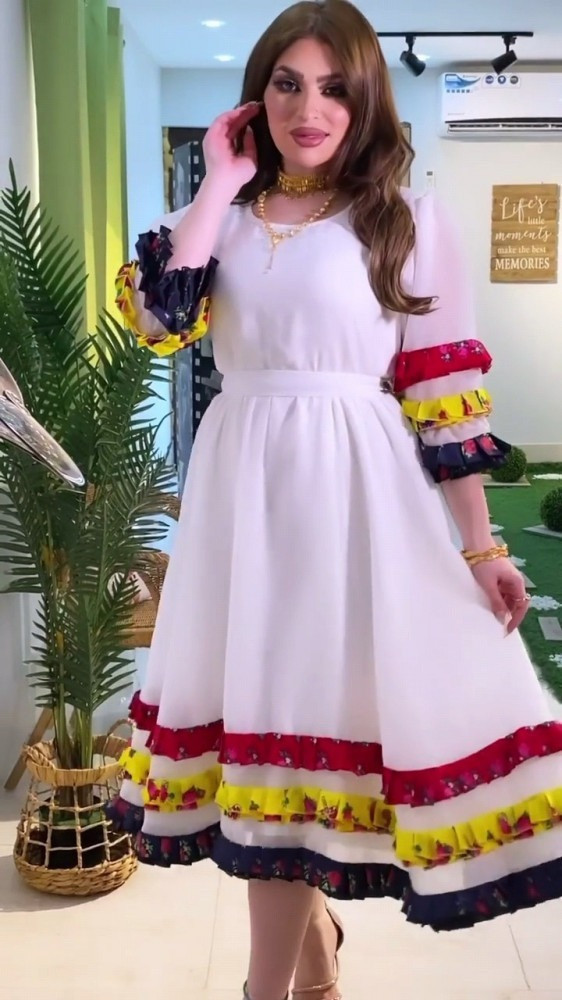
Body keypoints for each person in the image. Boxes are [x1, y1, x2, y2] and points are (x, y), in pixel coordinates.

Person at [107, 2, 562, 998]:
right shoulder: (220, 222)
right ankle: (309, 964)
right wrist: (217, 181)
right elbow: (160, 323)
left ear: (366, 103)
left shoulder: (405, 219)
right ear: (255, 98)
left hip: (355, 500)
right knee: (268, 738)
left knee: (313, 727)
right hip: (241, 500)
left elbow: (442, 394)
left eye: (334, 88)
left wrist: (482, 547)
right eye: (287, 84)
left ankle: (267, 985)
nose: (308, 109)